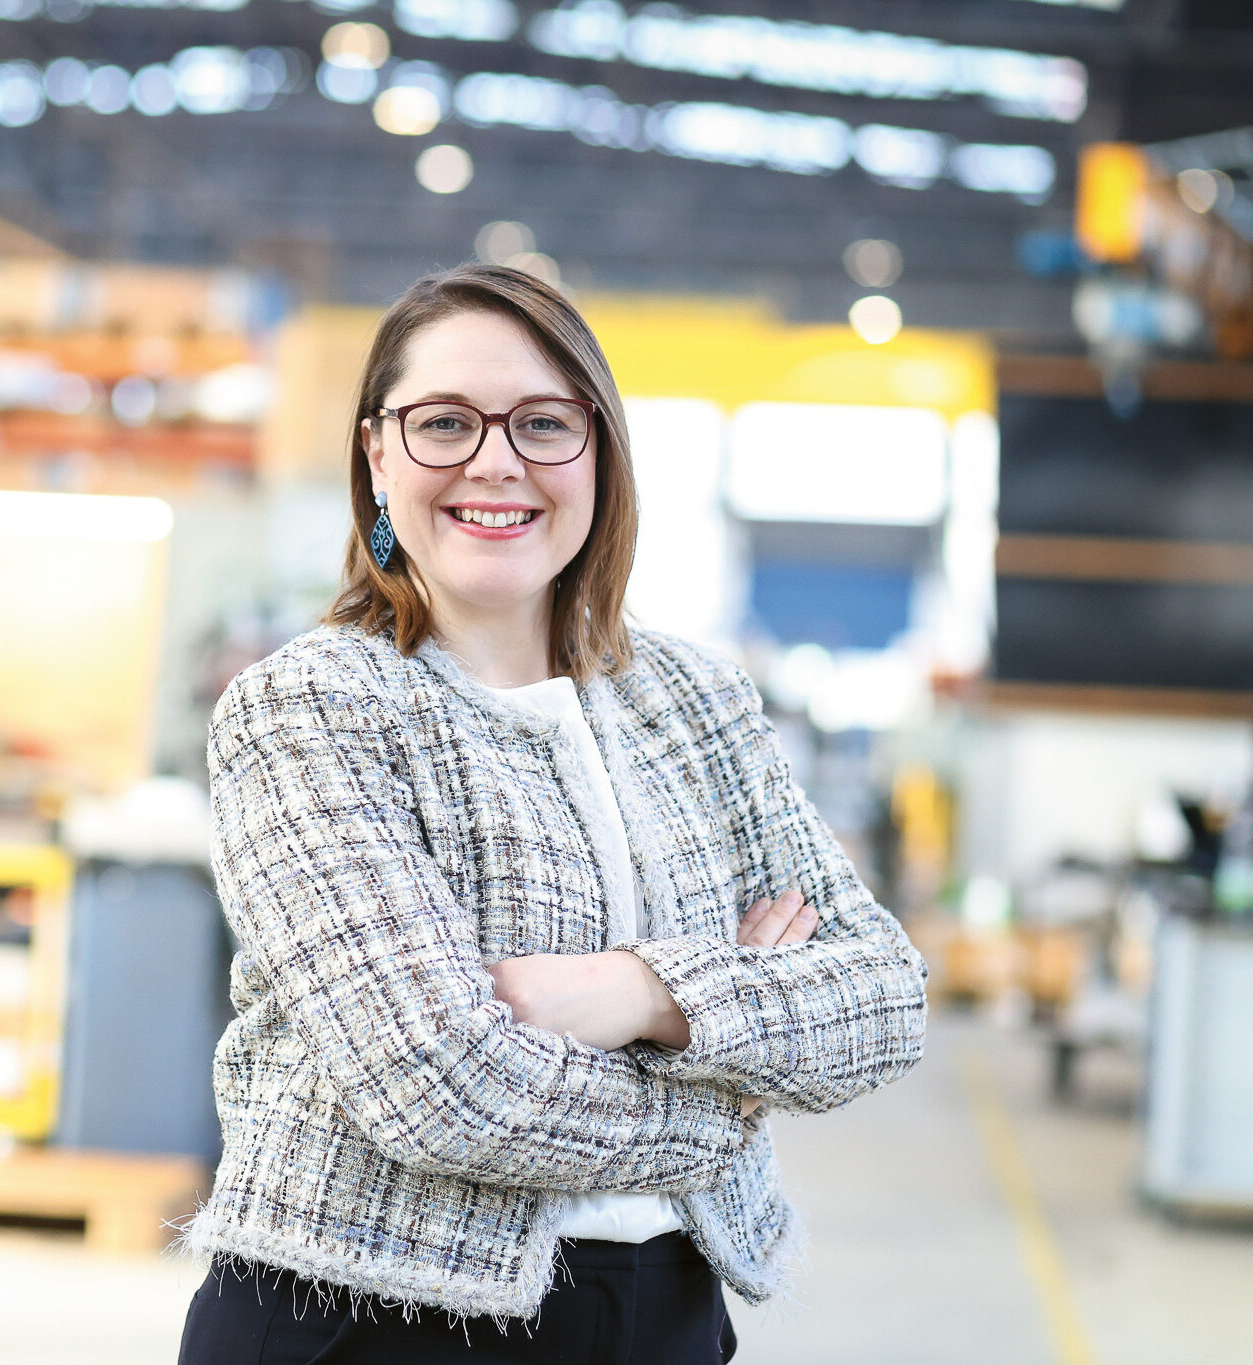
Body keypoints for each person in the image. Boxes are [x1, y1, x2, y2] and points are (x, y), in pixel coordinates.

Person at [176, 264, 929, 1364]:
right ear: (377, 455)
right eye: (444, 423)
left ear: (599, 453)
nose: (495, 461)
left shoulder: (695, 703)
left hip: (665, 1311)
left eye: (542, 423)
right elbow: (439, 1086)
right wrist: (731, 1088)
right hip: (367, 1317)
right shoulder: (309, 709)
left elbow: (882, 995)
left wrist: (641, 993)